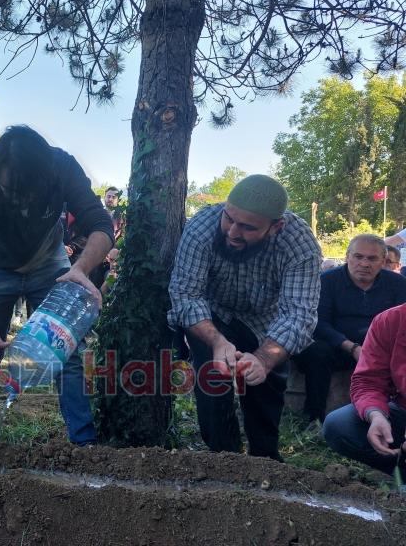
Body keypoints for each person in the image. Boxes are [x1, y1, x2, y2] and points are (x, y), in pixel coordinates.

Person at [0, 125, 114, 445]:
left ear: (45, 175)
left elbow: (100, 223)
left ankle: (84, 444)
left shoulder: (62, 167)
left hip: (48, 261)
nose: (19, 201)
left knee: (68, 348)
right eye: (10, 191)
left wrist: (81, 269)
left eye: (26, 192)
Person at [168, 175, 321, 461]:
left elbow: (299, 314)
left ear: (276, 227)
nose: (232, 233)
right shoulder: (201, 228)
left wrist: (263, 359)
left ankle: (264, 461)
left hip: (265, 321)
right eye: (229, 219)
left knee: (265, 386)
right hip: (211, 316)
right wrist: (216, 342)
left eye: (248, 227)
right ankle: (222, 458)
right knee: (212, 380)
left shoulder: (299, 245)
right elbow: (186, 295)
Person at [295, 235, 406, 423]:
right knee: (315, 352)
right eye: (358, 256)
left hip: (382, 349)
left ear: (383, 261)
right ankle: (313, 418)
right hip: (339, 346)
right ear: (347, 257)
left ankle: (390, 416)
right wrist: (352, 347)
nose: (364, 263)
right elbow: (318, 323)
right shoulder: (326, 280)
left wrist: (373, 351)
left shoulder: (398, 284)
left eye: (372, 259)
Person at [323, 303, 406, 475]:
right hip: (402, 409)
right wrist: (376, 415)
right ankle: (400, 468)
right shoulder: (390, 320)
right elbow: (368, 380)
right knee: (339, 425)